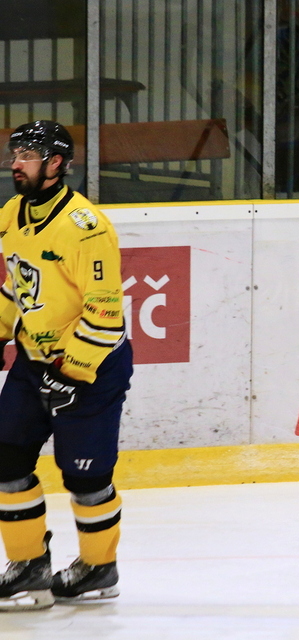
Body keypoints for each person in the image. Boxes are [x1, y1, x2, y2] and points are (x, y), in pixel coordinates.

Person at [0, 121, 132, 609]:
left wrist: (70, 371)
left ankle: (99, 567)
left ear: (56, 163)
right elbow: (19, 284)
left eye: (28, 155)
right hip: (34, 363)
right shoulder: (12, 213)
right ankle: (29, 567)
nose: (16, 163)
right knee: (6, 460)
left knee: (86, 478)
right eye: (15, 153)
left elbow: (105, 313)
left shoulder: (86, 228)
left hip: (91, 370)